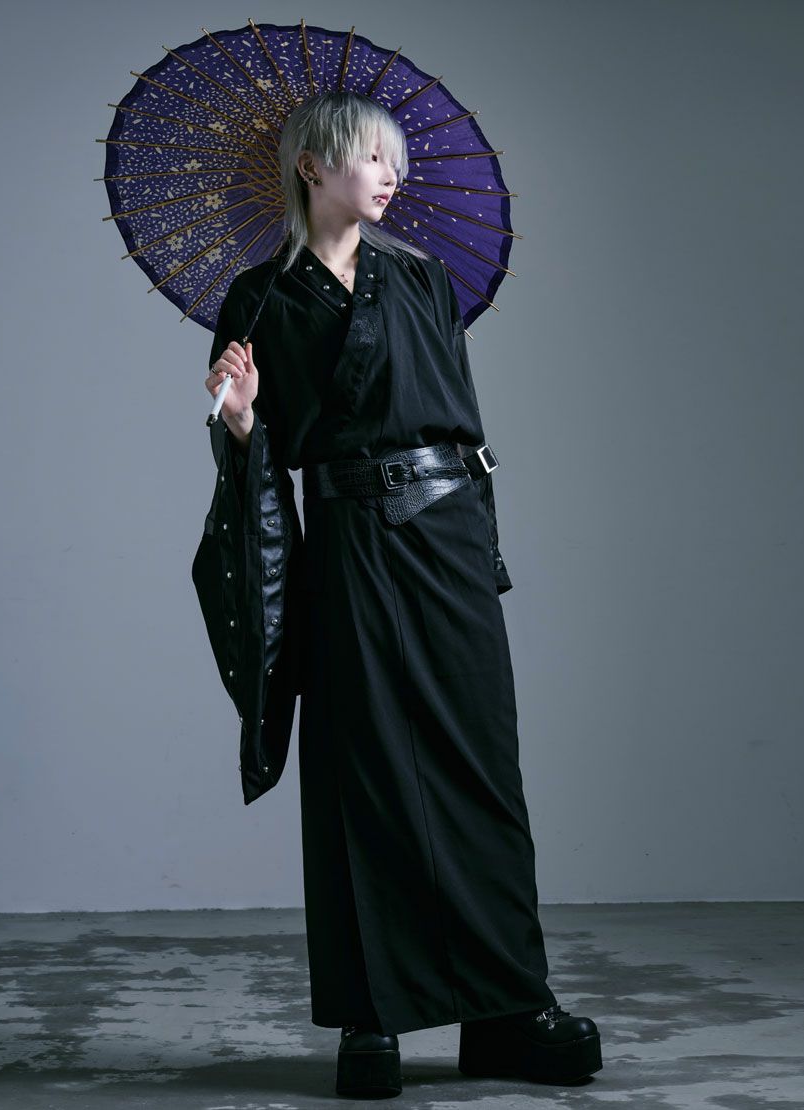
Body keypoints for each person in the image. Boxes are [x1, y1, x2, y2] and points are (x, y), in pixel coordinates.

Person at [200, 90, 602, 1098]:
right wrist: (241, 424)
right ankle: (369, 1016)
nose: (392, 176)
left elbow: (466, 425)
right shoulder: (257, 300)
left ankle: (510, 1009)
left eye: (396, 161)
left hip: (448, 537)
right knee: (362, 767)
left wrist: (482, 546)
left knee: (481, 768)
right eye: (373, 158)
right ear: (312, 166)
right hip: (348, 541)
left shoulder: (421, 281)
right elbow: (261, 465)